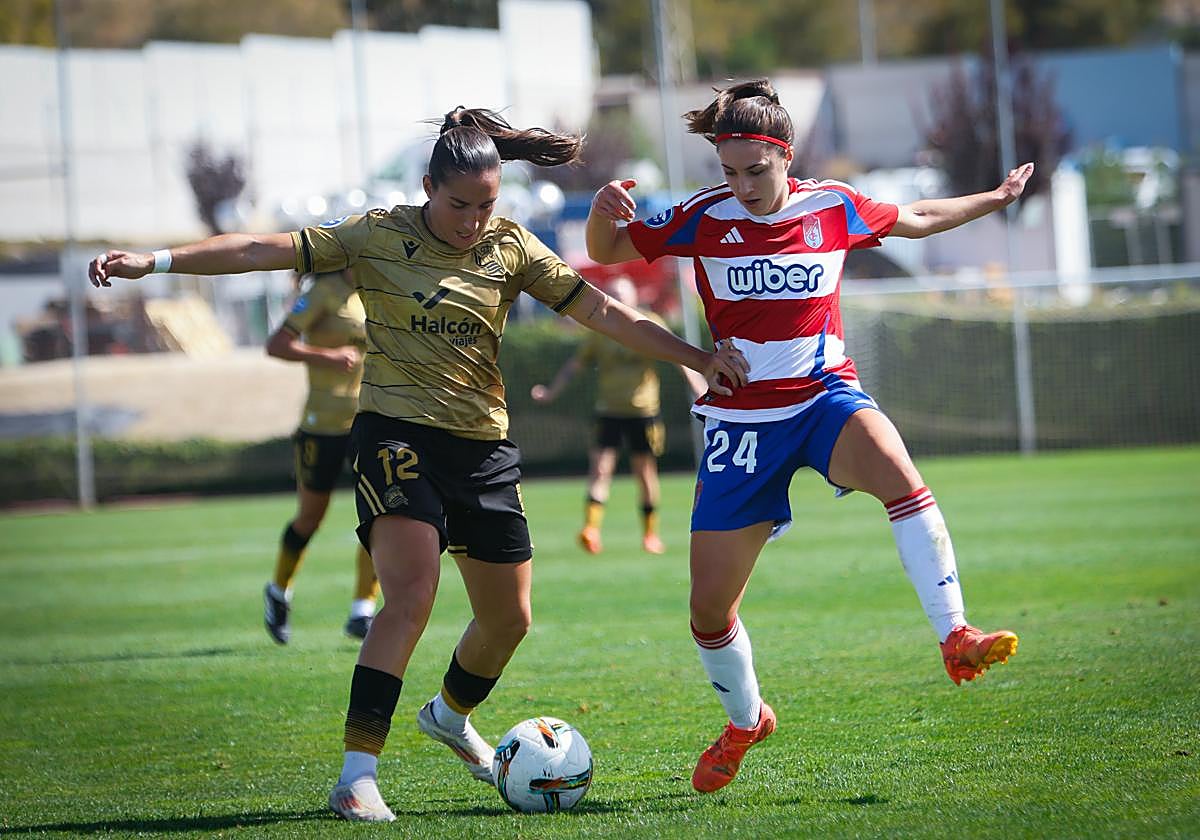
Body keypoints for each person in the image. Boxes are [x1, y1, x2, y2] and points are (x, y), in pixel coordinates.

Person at [89, 106, 748, 822]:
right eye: (459, 204)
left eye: (485, 205)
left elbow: (606, 314)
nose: (472, 220)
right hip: (394, 436)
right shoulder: (376, 234)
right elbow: (255, 248)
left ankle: (449, 715)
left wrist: (699, 358)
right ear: (428, 187)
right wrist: (154, 261)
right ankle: (357, 776)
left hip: (483, 448)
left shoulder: (511, 246)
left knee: (508, 620)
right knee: (411, 592)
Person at [586, 78, 1029, 794]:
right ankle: (745, 721)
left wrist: (996, 198)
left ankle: (956, 634)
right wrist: (602, 213)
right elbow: (608, 250)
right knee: (709, 611)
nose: (743, 186)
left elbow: (917, 217)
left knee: (899, 473)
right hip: (741, 421)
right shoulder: (703, 216)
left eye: (755, 171)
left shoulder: (834, 206)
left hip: (825, 397)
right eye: (729, 171)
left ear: (786, 157)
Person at [531, 276, 708, 555]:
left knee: (644, 473)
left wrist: (699, 388)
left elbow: (678, 358)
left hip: (643, 411)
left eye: (622, 295)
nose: (617, 300)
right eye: (612, 295)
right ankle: (591, 530)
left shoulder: (649, 324)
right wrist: (551, 392)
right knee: (600, 469)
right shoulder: (600, 329)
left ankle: (650, 534)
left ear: (634, 298)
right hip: (609, 410)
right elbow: (575, 365)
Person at [262, 268, 379, 644]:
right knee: (310, 518)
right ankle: (278, 591)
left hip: (370, 422)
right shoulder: (322, 292)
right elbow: (276, 344)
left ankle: (362, 609)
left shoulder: (376, 287)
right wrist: (328, 356)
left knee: (380, 516)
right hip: (322, 425)